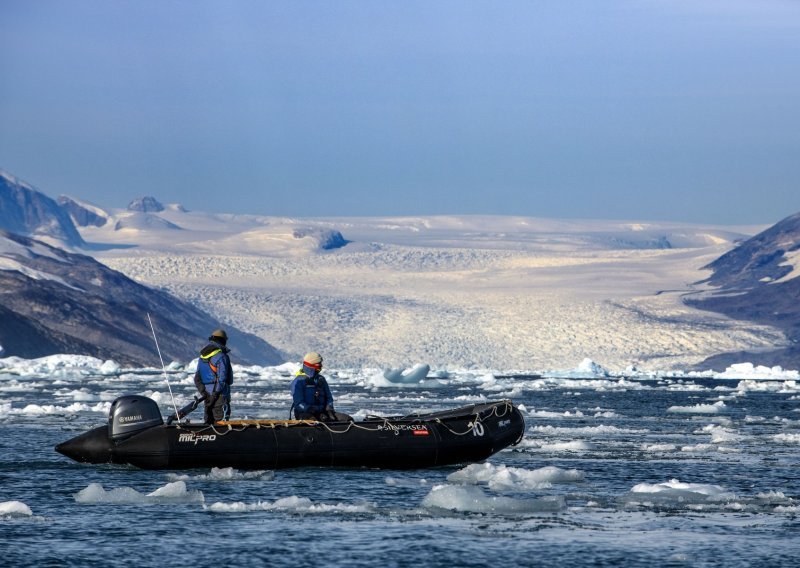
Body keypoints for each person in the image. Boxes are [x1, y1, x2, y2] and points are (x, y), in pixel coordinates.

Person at [290, 352, 351, 422]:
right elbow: (298, 403)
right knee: (314, 422)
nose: (321, 366)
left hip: (322, 412)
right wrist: (309, 409)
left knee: (347, 419)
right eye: (319, 364)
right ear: (311, 365)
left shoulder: (321, 379)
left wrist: (329, 409)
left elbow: (329, 397)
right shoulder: (298, 381)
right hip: (304, 413)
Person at [193, 328, 233, 424]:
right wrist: (215, 394)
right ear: (222, 340)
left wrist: (204, 393)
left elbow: (197, 378)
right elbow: (222, 378)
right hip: (220, 396)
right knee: (221, 424)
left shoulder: (202, 357)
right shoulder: (222, 356)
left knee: (208, 423)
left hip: (207, 396)